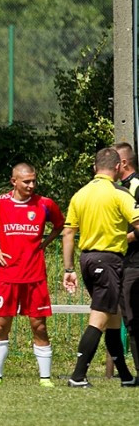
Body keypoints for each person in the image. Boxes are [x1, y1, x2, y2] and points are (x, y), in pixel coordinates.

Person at [0, 163, 64, 387]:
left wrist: (45, 243)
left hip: (34, 276)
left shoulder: (45, 204)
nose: (31, 185)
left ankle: (45, 378)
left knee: (38, 325)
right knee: (1, 325)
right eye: (26, 181)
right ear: (14, 182)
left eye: (33, 181)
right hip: (7, 276)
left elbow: (60, 225)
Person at [63, 147, 139, 388]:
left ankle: (126, 377)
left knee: (113, 319)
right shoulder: (120, 194)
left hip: (87, 260)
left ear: (95, 167)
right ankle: (77, 375)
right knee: (98, 318)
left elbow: (68, 233)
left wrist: (68, 269)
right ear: (117, 167)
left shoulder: (80, 194)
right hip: (109, 261)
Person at [116, 142, 139, 375]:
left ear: (123, 163)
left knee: (134, 321)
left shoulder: (136, 186)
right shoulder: (116, 187)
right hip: (123, 262)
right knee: (128, 320)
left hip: (135, 263)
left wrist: (125, 239)